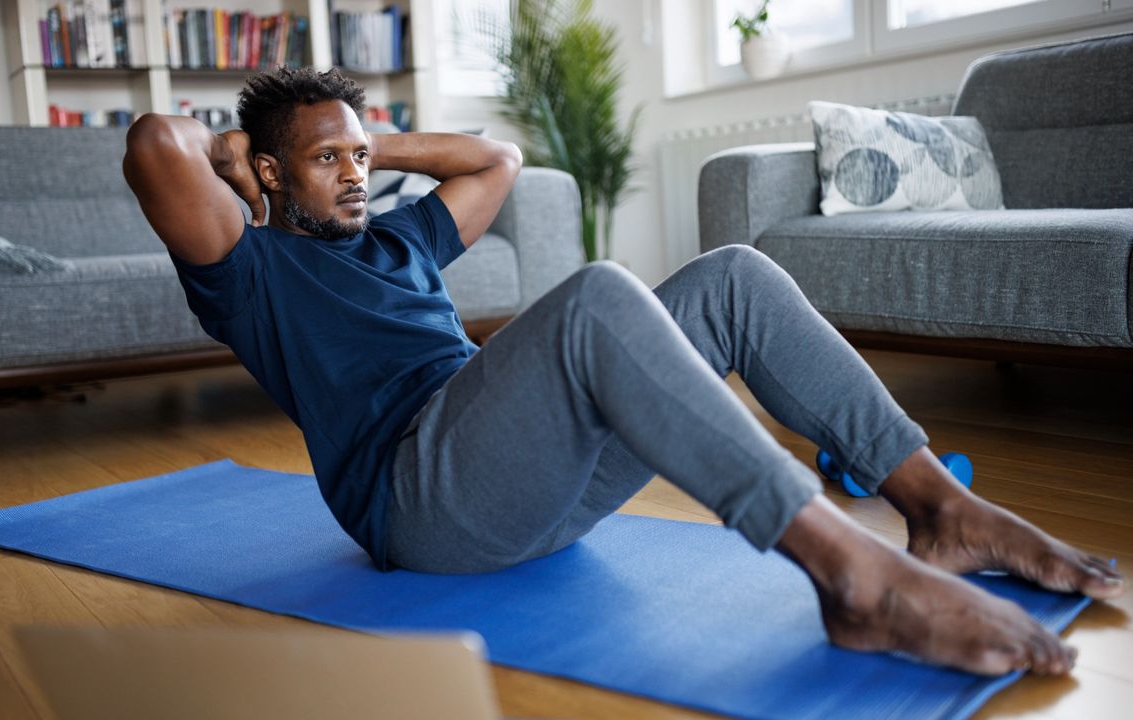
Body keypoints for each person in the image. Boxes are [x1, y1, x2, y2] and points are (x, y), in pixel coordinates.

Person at [123, 67, 1124, 678]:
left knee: (731, 276)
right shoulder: (249, 273)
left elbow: (494, 160)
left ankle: (932, 510)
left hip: (524, 491)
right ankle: (849, 573)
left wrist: (353, 135)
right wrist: (244, 145)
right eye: (325, 159)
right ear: (261, 172)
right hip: (421, 501)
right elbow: (153, 145)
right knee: (598, 293)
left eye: (360, 156)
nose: (353, 172)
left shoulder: (400, 243)